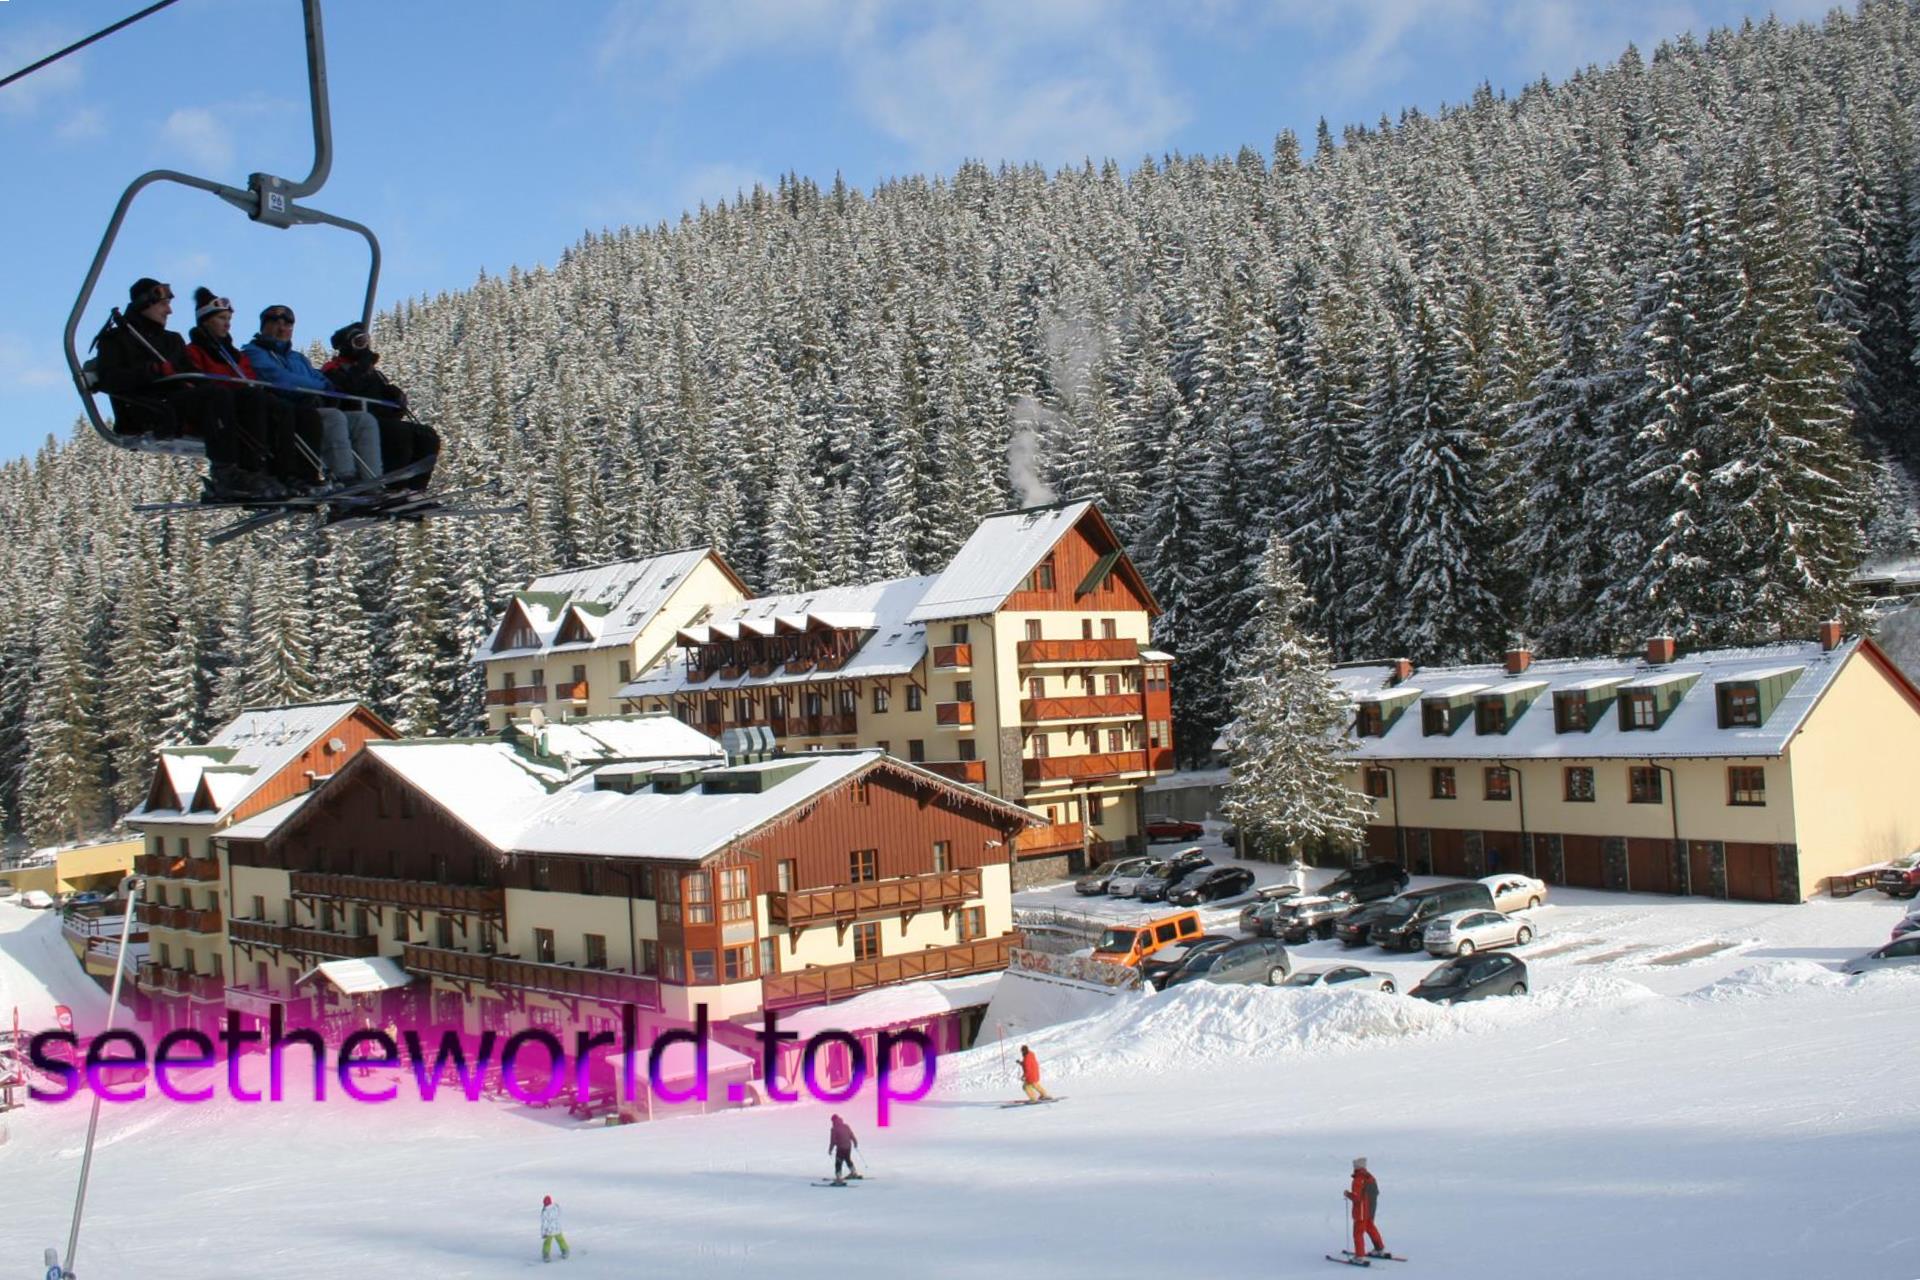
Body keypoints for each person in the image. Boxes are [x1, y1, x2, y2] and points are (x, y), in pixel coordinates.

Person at [92, 277, 285, 499]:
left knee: (250, 397)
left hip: (176, 402)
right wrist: (153, 371)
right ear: (145, 304)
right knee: (215, 395)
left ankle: (252, 471)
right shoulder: (116, 339)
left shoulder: (172, 340)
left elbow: (191, 372)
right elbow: (110, 380)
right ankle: (225, 473)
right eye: (164, 304)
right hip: (147, 407)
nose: (170, 311)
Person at [183, 288, 328, 491]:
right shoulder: (195, 351)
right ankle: (251, 470)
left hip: (244, 400)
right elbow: (198, 380)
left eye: (229, 319)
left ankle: (297, 474)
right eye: (221, 318)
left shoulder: (234, 355)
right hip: (222, 407)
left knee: (297, 412)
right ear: (206, 321)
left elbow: (249, 378)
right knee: (259, 402)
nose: (227, 324)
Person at [243, 304, 384, 482]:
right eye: (275, 324)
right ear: (264, 327)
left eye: (287, 325)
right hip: (286, 410)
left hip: (310, 407)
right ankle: (344, 476)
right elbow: (280, 379)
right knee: (333, 418)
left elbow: (323, 380)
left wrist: (320, 387)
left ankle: (373, 480)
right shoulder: (254, 352)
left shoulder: (297, 358)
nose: (282, 329)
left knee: (364, 420)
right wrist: (317, 388)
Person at [323, 322, 440, 491]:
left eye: (364, 341)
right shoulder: (334, 370)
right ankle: (395, 487)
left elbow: (392, 407)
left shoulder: (374, 373)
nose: (362, 346)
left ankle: (416, 488)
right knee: (397, 432)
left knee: (427, 435)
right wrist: (360, 371)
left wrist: (395, 398)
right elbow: (340, 395)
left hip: (381, 419)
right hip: (357, 422)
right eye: (358, 342)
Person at [1345, 1156, 1386, 1261]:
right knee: (1370, 1228)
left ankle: (1359, 1256)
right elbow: (1375, 1193)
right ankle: (1379, 1248)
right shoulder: (1370, 1177)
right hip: (1370, 1211)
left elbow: (1356, 1197)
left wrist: (1348, 1194)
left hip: (1361, 1212)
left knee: (1358, 1233)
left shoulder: (1358, 1180)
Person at [828, 1113, 859, 1183]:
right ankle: (853, 1172)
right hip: (848, 1147)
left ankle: (839, 1178)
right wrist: (855, 1143)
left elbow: (833, 1141)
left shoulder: (834, 1129)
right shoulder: (846, 1126)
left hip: (841, 1148)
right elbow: (851, 1135)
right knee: (848, 1159)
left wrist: (830, 1150)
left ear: (833, 1120)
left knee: (838, 1162)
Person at [538, 1194, 570, 1263]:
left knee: (547, 1243)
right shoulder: (555, 1207)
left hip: (549, 1231)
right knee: (561, 1240)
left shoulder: (545, 1211)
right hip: (557, 1229)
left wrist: (543, 1233)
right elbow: (559, 1212)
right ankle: (565, 1250)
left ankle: (546, 1254)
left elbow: (544, 1224)